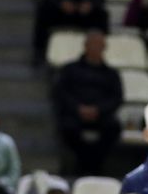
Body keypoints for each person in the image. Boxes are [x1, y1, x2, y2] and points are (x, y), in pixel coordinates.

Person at [53, 32, 123, 177]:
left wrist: (98, 110)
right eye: (92, 44)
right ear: (85, 46)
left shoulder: (111, 74)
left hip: (101, 115)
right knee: (67, 127)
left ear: (104, 48)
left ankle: (95, 165)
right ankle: (83, 163)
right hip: (75, 114)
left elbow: (116, 98)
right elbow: (61, 93)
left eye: (99, 45)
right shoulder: (70, 69)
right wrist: (78, 108)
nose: (95, 48)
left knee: (113, 128)